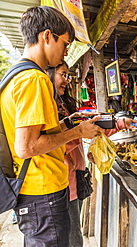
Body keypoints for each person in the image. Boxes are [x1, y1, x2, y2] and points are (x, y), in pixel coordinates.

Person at [0, 6, 104, 246]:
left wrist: (66, 124)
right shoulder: (34, 79)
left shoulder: (16, 75)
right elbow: (27, 146)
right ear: (47, 36)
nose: (66, 52)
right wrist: (78, 132)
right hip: (42, 192)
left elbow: (35, 132)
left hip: (35, 192)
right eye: (65, 44)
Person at [46, 61, 136, 247]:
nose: (67, 80)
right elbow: (49, 147)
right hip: (60, 184)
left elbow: (91, 127)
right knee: (71, 240)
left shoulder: (63, 105)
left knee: (73, 234)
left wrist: (121, 123)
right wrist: (78, 135)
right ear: (47, 74)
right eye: (62, 75)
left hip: (75, 179)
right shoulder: (46, 108)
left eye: (68, 76)